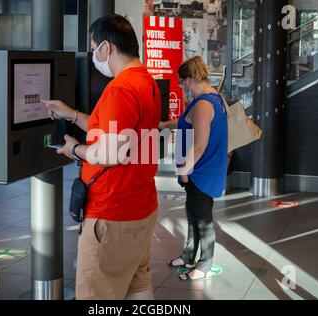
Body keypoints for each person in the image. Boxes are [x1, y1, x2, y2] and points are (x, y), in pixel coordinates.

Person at [42, 15, 162, 299]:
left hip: (112, 213)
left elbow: (108, 153)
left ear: (106, 47)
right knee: (138, 286)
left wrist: (74, 149)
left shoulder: (120, 90)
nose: (94, 56)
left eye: (94, 48)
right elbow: (115, 132)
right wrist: (71, 114)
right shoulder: (146, 82)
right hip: (141, 207)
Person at [160, 56, 228, 281]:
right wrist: (164, 125)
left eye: (182, 83)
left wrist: (184, 170)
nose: (182, 87)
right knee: (192, 215)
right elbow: (186, 122)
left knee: (202, 220)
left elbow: (199, 144)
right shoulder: (211, 98)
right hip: (202, 171)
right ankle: (189, 256)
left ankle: (204, 265)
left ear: (189, 80)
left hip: (200, 172)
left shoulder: (203, 104)